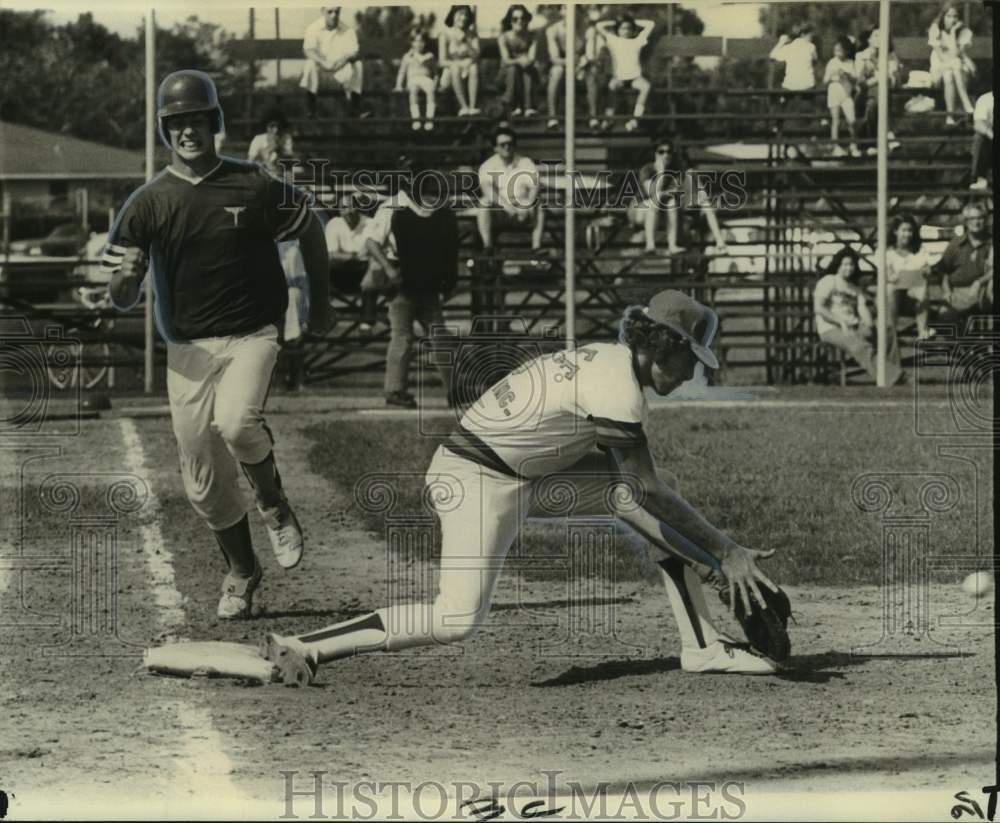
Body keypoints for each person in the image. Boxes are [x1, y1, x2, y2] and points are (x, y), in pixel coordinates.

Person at [260, 290, 785, 685]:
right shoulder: (616, 386)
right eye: (693, 356)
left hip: (514, 470)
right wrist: (727, 551)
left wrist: (714, 560)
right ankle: (304, 645)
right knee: (456, 618)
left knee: (635, 507)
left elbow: (631, 496)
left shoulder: (608, 362)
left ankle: (702, 645)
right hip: (476, 479)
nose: (694, 370)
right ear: (664, 346)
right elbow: (644, 488)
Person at [102, 70, 330, 619]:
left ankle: (274, 505)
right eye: (177, 123)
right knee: (202, 480)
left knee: (235, 421)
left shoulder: (253, 184)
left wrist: (319, 307)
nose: (187, 131)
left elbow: (312, 229)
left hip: (253, 333)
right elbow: (120, 296)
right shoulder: (146, 203)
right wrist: (127, 277)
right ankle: (243, 571)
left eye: (196, 120)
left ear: (214, 123)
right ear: (165, 130)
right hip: (188, 351)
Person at [364, 170, 458, 410]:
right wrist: (389, 269)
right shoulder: (392, 207)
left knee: (438, 337)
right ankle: (395, 390)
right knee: (404, 336)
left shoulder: (431, 205)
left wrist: (445, 280)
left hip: (426, 280)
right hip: (402, 279)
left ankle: (454, 390)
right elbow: (371, 242)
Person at [813, 246, 904, 385]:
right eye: (845, 264)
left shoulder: (855, 288)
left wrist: (870, 326)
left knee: (887, 330)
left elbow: (862, 309)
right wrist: (840, 321)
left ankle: (895, 371)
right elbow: (819, 308)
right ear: (838, 265)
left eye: (851, 265)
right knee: (858, 345)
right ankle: (892, 379)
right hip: (831, 327)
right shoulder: (829, 281)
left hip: (854, 325)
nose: (848, 268)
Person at [627, 142, 727, 255]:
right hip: (640, 209)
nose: (666, 154)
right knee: (655, 203)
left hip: (662, 212)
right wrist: (661, 172)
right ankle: (651, 246)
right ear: (655, 154)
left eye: (669, 152)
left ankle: (673, 245)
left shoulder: (677, 172)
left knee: (673, 203)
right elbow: (652, 193)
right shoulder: (648, 169)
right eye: (661, 152)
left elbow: (678, 194)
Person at [477, 125, 544, 254]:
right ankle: (488, 246)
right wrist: (507, 207)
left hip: (523, 209)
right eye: (502, 144)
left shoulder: (525, 162)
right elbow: (488, 191)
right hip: (501, 211)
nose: (507, 147)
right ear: (495, 148)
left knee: (539, 204)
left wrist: (527, 206)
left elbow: (535, 187)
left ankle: (536, 247)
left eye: (510, 143)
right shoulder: (488, 165)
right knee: (484, 203)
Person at [930, 202, 994, 325]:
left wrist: (979, 282)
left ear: (986, 220)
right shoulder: (956, 245)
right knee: (945, 317)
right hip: (958, 292)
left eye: (980, 218)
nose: (976, 222)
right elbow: (943, 271)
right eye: (972, 218)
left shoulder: (991, 243)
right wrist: (947, 291)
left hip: (983, 292)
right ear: (966, 221)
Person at [300, 6, 369, 119]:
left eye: (337, 12)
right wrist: (324, 63)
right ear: (322, 11)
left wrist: (341, 61)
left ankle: (355, 109)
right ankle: (311, 109)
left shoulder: (348, 30)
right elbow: (308, 51)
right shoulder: (312, 28)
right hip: (320, 72)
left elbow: (354, 52)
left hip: (340, 70)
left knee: (358, 66)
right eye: (330, 12)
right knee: (309, 64)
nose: (334, 15)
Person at [325, 192, 377, 330]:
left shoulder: (370, 223)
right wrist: (353, 256)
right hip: (340, 273)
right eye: (343, 208)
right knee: (323, 267)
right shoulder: (334, 224)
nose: (347, 211)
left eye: (351, 207)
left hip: (364, 271)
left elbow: (373, 253)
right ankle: (322, 315)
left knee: (373, 270)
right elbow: (331, 255)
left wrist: (344, 255)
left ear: (358, 208)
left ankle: (367, 321)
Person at [597, 13, 655, 132]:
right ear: (618, 30)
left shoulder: (638, 40)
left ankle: (635, 120)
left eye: (629, 28)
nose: (626, 31)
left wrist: (632, 20)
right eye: (623, 28)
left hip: (635, 77)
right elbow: (599, 26)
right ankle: (609, 119)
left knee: (646, 87)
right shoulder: (614, 40)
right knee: (611, 87)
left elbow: (651, 24)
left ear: (633, 30)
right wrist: (617, 21)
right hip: (620, 78)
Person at [886, 214, 934, 340]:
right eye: (904, 230)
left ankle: (922, 330)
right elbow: (886, 275)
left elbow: (924, 269)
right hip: (893, 298)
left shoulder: (919, 250)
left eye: (910, 230)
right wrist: (892, 277)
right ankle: (892, 332)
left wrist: (926, 271)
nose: (907, 234)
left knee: (923, 285)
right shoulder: (887, 252)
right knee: (890, 289)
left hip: (912, 296)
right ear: (896, 231)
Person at [853, 28, 902, 154]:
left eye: (882, 36)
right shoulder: (861, 56)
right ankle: (888, 132)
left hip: (883, 95)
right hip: (865, 95)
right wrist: (879, 77)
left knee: (872, 104)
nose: (879, 38)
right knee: (876, 95)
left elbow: (893, 81)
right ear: (869, 39)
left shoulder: (890, 56)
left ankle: (873, 145)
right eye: (875, 35)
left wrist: (875, 79)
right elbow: (861, 83)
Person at [928, 2, 976, 125]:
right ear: (943, 16)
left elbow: (954, 54)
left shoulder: (965, 32)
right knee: (954, 65)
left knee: (949, 73)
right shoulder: (935, 29)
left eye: (955, 16)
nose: (952, 20)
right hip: (939, 68)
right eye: (949, 16)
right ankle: (967, 105)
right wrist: (956, 57)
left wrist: (954, 32)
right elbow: (942, 57)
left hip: (958, 70)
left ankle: (949, 116)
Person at [498, 5, 540, 118]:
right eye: (515, 19)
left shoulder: (532, 36)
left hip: (527, 70)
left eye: (522, 18)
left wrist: (526, 61)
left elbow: (532, 57)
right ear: (510, 21)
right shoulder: (504, 37)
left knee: (527, 69)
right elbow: (506, 60)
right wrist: (519, 60)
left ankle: (528, 107)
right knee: (513, 69)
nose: (519, 21)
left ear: (527, 20)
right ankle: (513, 105)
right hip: (507, 73)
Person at [439, 5, 480, 116]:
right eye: (460, 14)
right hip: (450, 73)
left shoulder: (472, 35)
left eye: (466, 15)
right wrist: (460, 64)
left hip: (469, 70)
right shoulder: (445, 34)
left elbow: (476, 56)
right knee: (455, 68)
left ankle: (472, 107)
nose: (463, 18)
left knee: (474, 67)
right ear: (453, 16)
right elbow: (442, 61)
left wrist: (466, 41)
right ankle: (464, 107)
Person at [822, 37, 861, 158]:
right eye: (836, 51)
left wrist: (847, 74)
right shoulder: (832, 62)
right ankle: (835, 147)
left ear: (846, 51)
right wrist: (833, 74)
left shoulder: (850, 63)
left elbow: (855, 79)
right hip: (834, 92)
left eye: (840, 50)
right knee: (836, 121)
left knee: (852, 120)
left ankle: (854, 146)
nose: (837, 53)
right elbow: (825, 80)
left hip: (846, 94)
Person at [395, 28, 437, 131]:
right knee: (413, 90)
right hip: (413, 79)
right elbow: (402, 72)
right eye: (416, 41)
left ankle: (429, 119)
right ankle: (416, 118)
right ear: (412, 43)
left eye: (421, 41)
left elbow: (435, 73)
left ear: (425, 43)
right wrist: (399, 85)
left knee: (430, 90)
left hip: (426, 79)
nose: (419, 44)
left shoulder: (429, 56)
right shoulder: (407, 57)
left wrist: (436, 83)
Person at [769, 24, 817, 93]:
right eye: (810, 36)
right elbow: (815, 59)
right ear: (803, 35)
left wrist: (781, 42)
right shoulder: (811, 47)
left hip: (789, 86)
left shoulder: (788, 48)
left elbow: (772, 56)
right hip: (808, 86)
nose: (811, 38)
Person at [246, 109, 295, 175]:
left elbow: (289, 160)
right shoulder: (258, 139)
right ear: (266, 126)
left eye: (278, 126)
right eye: (272, 126)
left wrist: (278, 149)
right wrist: (269, 149)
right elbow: (250, 161)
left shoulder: (286, 138)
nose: (276, 130)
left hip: (280, 174)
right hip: (262, 174)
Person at [545, 5, 569, 130]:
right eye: (565, 7)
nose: (570, 10)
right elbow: (555, 58)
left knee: (592, 71)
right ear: (560, 11)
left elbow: (590, 55)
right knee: (557, 71)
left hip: (581, 69)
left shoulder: (586, 29)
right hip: (563, 67)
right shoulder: (553, 30)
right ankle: (552, 117)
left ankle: (593, 118)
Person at [969, 91, 993, 190]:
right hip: (990, 139)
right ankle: (980, 178)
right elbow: (978, 124)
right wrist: (992, 135)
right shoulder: (985, 99)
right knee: (979, 137)